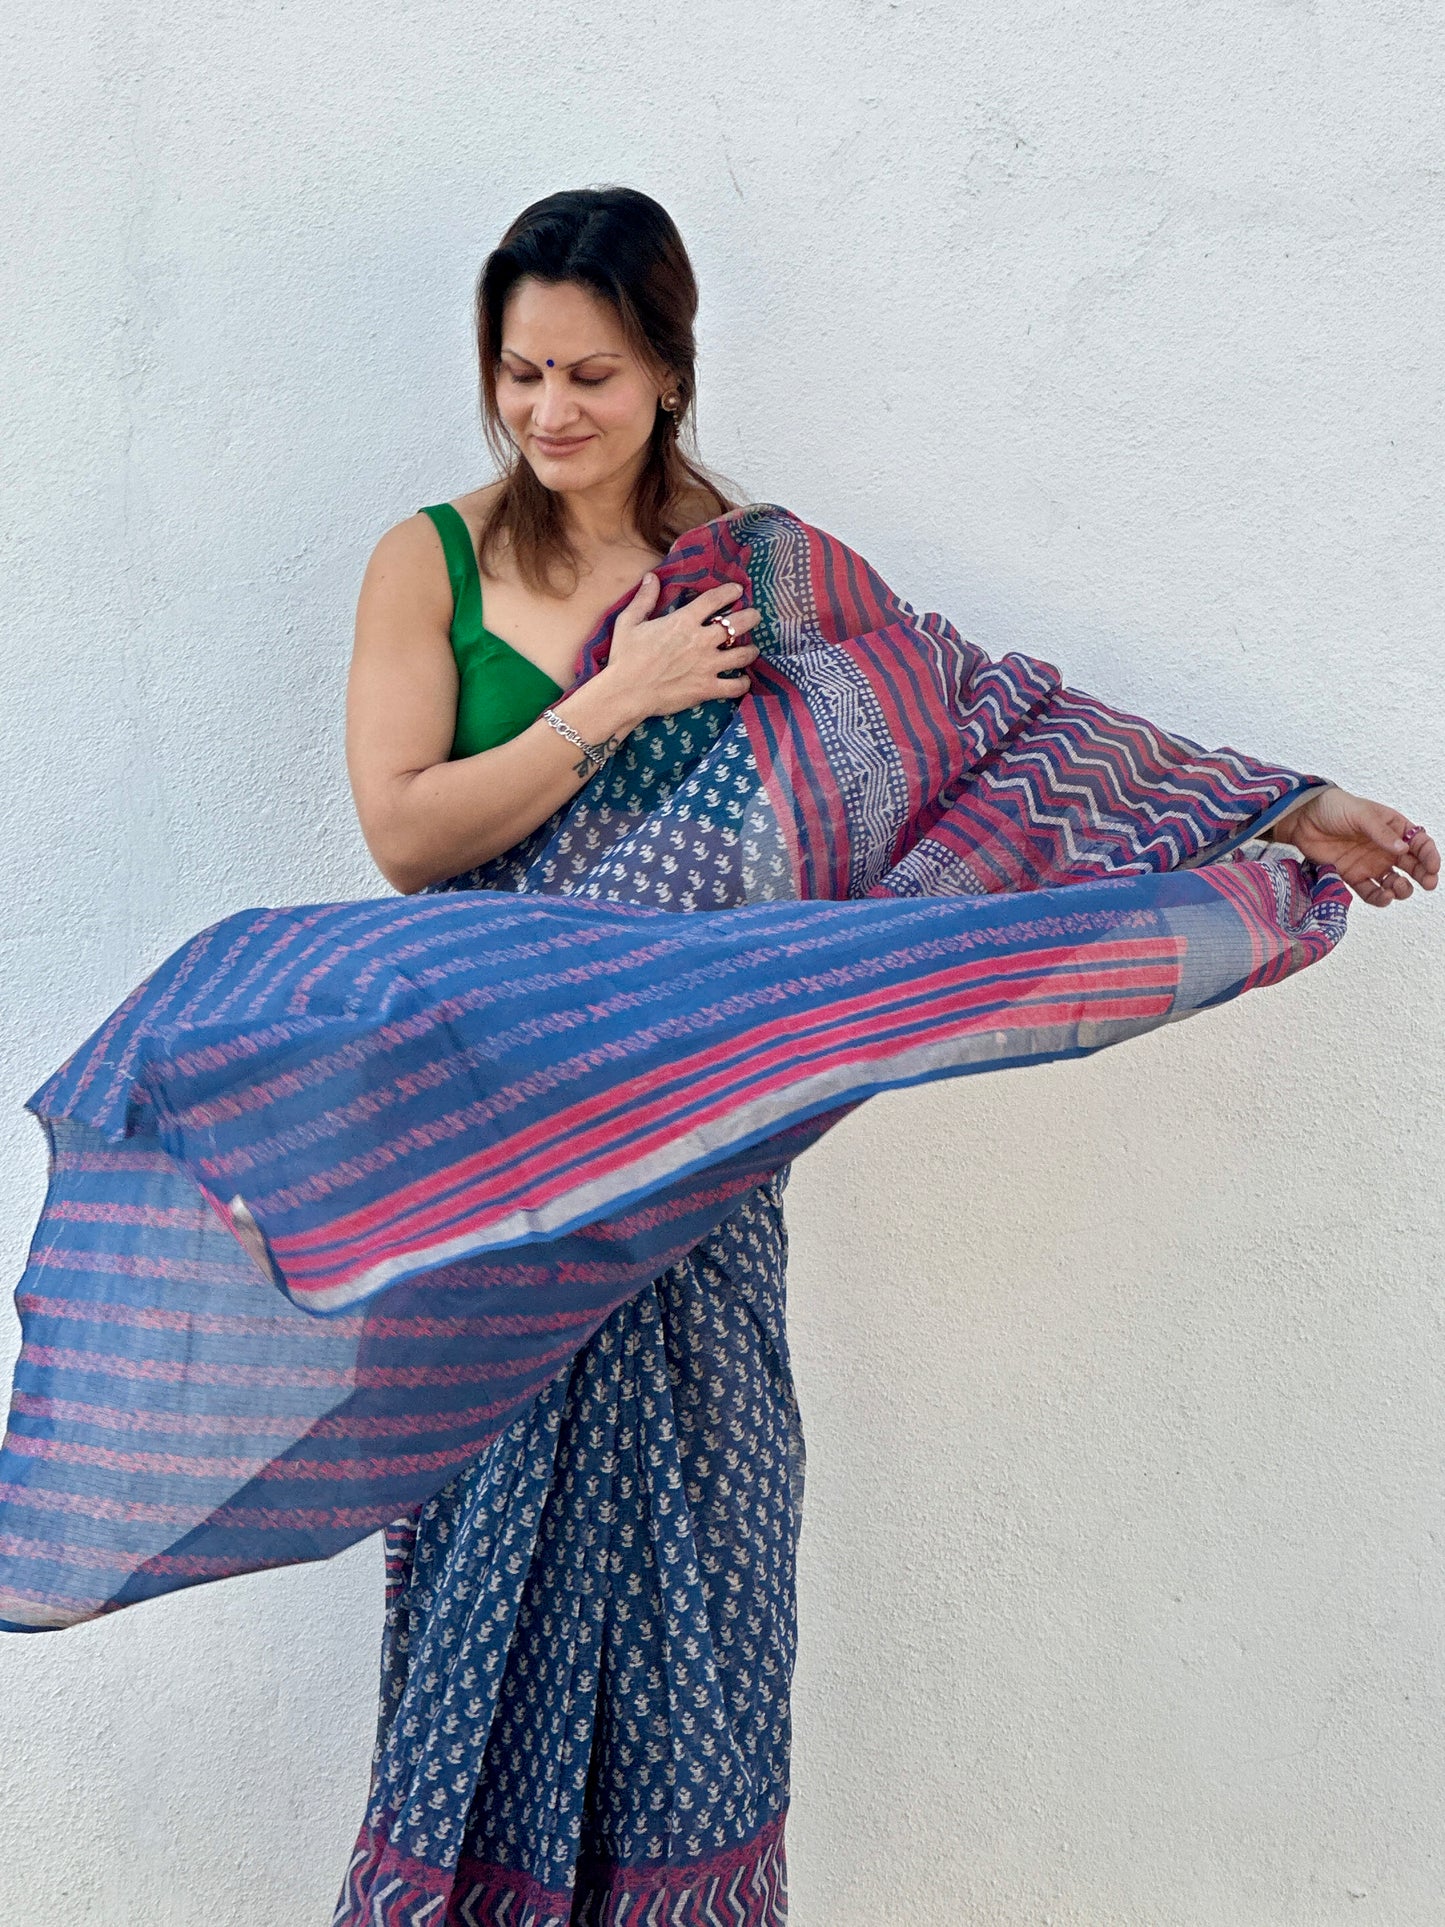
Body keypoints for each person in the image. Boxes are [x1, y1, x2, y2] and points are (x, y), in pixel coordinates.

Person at [329, 185, 1435, 1925]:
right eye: (521, 371)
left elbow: (1001, 725)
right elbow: (403, 838)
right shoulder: (435, 561)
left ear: (671, 374)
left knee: (700, 1558)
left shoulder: (769, 579)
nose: (548, 414)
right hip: (493, 1156)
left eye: (591, 377)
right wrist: (608, 703)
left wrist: (1281, 802)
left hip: (697, 1165)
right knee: (491, 1563)